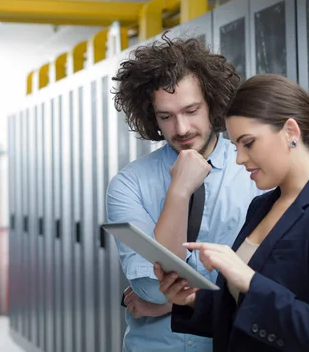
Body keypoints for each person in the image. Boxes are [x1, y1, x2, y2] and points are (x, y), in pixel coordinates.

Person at [155, 74, 309, 352]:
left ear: (290, 132)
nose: (239, 158)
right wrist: (193, 300)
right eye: (236, 147)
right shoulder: (261, 207)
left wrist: (249, 280)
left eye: (248, 143)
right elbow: (245, 315)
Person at [106, 35, 266, 352]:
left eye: (191, 110)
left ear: (213, 103)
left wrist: (169, 305)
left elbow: (267, 287)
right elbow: (151, 289)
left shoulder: (255, 175)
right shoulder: (129, 184)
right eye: (166, 116)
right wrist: (179, 191)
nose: (181, 129)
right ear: (152, 116)